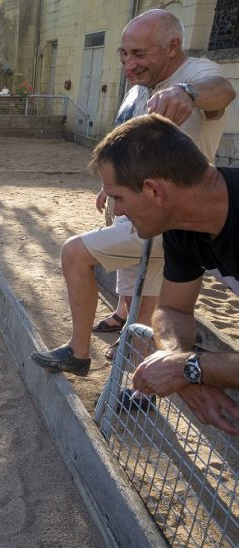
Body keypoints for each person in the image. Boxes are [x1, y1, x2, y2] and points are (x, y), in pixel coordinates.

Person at [30, 9, 235, 377]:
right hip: (158, 223)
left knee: (75, 253)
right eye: (124, 54)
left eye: (139, 55)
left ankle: (79, 351)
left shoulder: (194, 74)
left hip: (171, 214)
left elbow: (223, 91)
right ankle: (139, 382)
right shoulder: (142, 87)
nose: (129, 64)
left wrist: (187, 93)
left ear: (172, 47)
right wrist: (110, 190)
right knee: (149, 301)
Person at [91, 113, 239, 434]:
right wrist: (174, 358)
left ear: (153, 191)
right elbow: (171, 310)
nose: (116, 211)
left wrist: (190, 368)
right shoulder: (182, 227)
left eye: (118, 197)